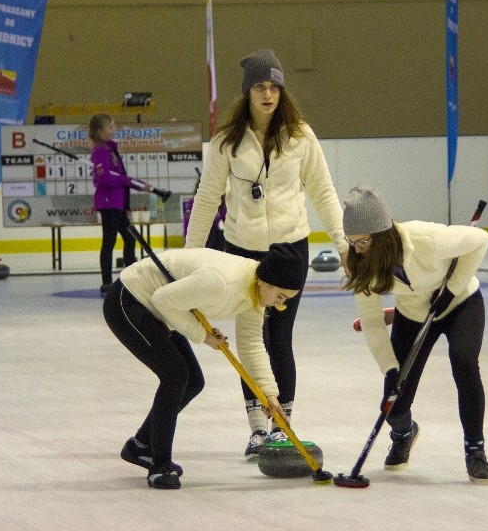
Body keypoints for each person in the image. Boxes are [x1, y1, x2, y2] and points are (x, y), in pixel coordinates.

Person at [185, 49, 348, 459]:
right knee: (248, 336)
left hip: (291, 249)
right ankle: (258, 428)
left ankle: (282, 424)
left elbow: (324, 192)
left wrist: (343, 244)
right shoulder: (226, 142)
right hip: (242, 251)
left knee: (280, 338)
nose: (268, 93)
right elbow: (207, 199)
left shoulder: (301, 137)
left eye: (274, 86)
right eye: (260, 86)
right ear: (247, 92)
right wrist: (189, 256)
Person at [103, 242, 307, 489]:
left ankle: (141, 445)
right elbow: (162, 299)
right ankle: (160, 464)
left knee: (193, 381)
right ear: (266, 282)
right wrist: (204, 335)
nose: (279, 304)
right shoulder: (222, 282)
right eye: (280, 297)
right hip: (131, 299)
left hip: (160, 308)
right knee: (175, 375)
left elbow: (252, 344)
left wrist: (269, 394)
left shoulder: (255, 291)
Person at [341, 185, 488, 484]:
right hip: (414, 314)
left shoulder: (427, 240)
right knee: (395, 400)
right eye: (352, 241)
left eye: (362, 241)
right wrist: (388, 368)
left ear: (382, 234)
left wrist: (450, 292)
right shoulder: (360, 264)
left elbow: (480, 240)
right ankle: (404, 433)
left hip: (461, 302)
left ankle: (475, 452)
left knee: (464, 362)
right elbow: (372, 321)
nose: (357, 248)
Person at [89, 113, 151, 295]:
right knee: (110, 240)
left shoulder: (110, 149)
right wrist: (124, 180)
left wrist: (136, 184)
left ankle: (129, 279)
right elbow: (103, 178)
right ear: (100, 132)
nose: (113, 129)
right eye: (110, 127)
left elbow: (120, 176)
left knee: (128, 238)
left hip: (118, 202)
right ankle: (107, 282)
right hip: (109, 203)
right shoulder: (100, 151)